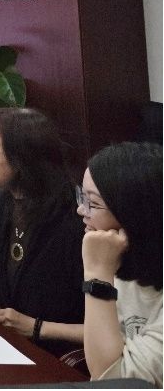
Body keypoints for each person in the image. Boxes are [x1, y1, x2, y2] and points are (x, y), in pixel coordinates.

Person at [0, 108, 84, 356]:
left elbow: (103, 325)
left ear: (20, 157)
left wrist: (35, 327)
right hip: (0, 342)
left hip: (53, 355)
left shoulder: (74, 222)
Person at [78, 142, 161, 385]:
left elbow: (113, 382)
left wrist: (98, 275)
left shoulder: (103, 264)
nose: (81, 210)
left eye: (93, 203)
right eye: (82, 197)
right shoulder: (124, 261)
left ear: (134, 215)